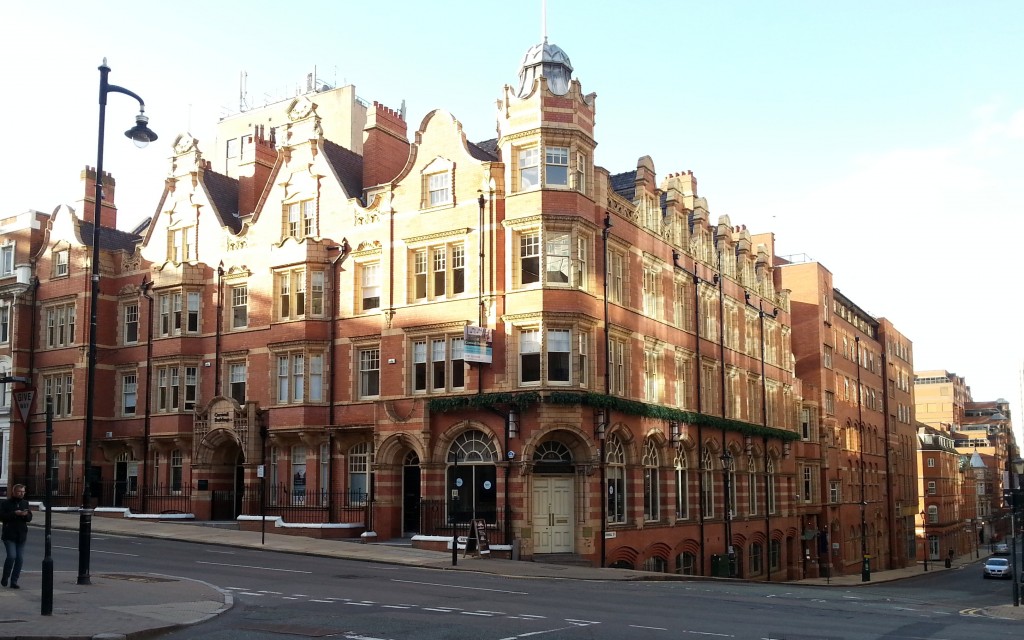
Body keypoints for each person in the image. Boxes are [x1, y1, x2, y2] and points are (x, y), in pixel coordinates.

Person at [1, 484, 32, 588]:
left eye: (23, 492)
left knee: (19, 559)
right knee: (11, 556)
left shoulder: (25, 503)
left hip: (21, 535)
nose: (22, 494)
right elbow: (2, 517)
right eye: (20, 492)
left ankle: (14, 581)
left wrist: (25, 515)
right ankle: (5, 577)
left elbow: (29, 517)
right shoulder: (5, 503)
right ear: (14, 492)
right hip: (9, 535)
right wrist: (15, 513)